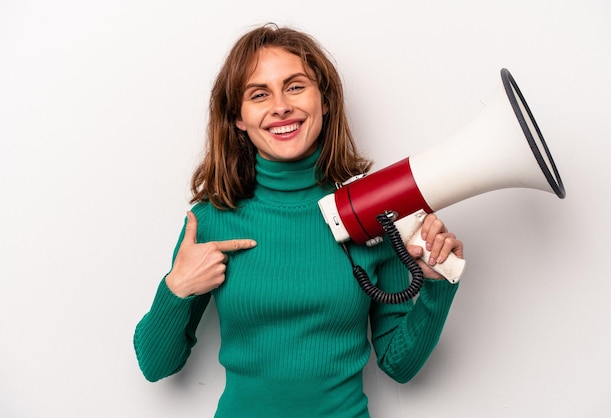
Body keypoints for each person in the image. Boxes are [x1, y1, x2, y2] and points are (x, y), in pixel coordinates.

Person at [134, 23, 464, 418]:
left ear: (323, 100)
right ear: (238, 117)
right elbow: (156, 366)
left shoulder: (372, 212)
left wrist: (436, 283)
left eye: (295, 86)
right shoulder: (210, 221)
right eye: (259, 94)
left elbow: (400, 365)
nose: (280, 106)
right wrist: (177, 288)